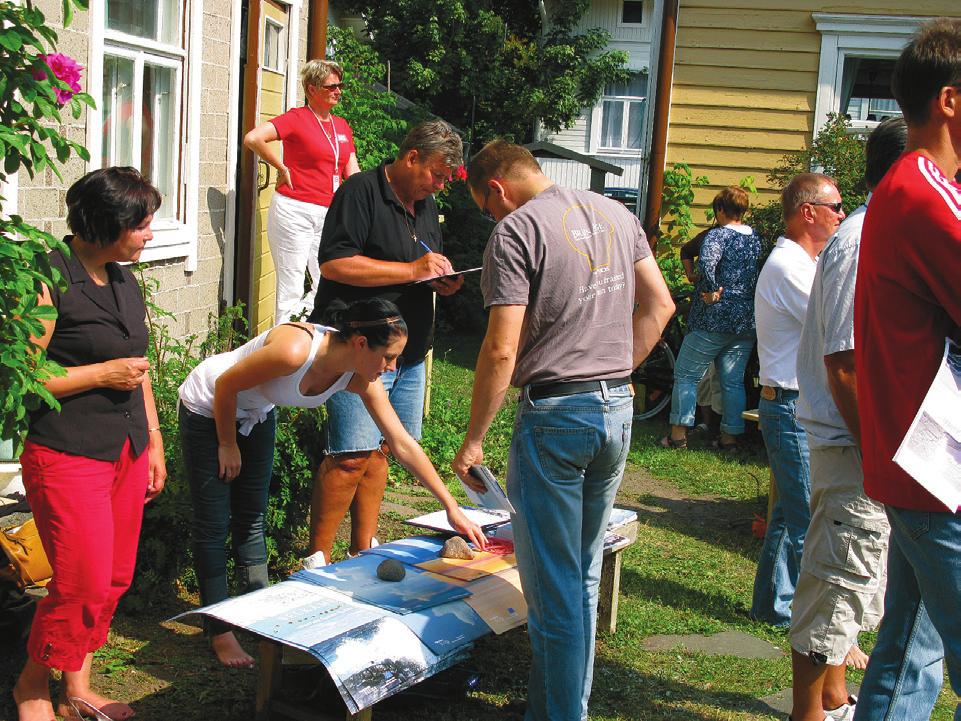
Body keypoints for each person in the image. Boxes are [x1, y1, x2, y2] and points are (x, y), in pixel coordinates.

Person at [452, 140, 674, 721]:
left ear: (495, 188)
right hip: (615, 412)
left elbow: (502, 348)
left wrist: (474, 437)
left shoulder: (516, 232)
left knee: (552, 587)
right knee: (579, 575)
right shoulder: (616, 213)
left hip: (555, 419)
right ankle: (563, 704)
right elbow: (661, 306)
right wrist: (618, 371)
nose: (492, 217)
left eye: (486, 205)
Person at [178, 298, 486, 668]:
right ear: (359, 343)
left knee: (252, 517)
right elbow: (226, 384)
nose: (390, 368)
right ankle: (219, 630)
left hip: (256, 412)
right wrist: (227, 444)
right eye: (387, 357)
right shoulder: (295, 351)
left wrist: (450, 505)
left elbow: (402, 443)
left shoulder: (357, 376)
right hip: (209, 405)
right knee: (214, 524)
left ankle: (255, 609)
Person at [13, 167, 167, 721]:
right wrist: (99, 375)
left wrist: (153, 440)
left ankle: (77, 686)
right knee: (79, 581)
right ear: (107, 225)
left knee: (113, 578)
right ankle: (32, 686)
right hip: (66, 452)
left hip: (123, 449)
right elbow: (22, 376)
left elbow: (140, 370)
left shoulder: (123, 280)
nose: (150, 234)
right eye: (142, 225)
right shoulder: (46, 278)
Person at [852, 18, 961, 720]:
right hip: (937, 474)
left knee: (903, 657)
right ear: (949, 101)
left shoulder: (907, 185)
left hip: (921, 469)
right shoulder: (924, 189)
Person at [788, 118, 907, 721]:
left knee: (860, 581)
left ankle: (834, 696)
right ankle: (808, 713)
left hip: (875, 448)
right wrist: (880, 452)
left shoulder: (883, 232)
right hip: (856, 446)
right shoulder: (862, 239)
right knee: (836, 581)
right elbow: (845, 363)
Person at [305, 119, 465, 565]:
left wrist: (438, 280)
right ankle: (316, 558)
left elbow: (420, 260)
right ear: (411, 157)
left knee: (382, 450)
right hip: (359, 349)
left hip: (406, 353)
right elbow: (334, 264)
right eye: (436, 174)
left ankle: (363, 550)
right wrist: (413, 272)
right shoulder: (359, 192)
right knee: (350, 455)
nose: (439, 184)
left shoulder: (425, 202)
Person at [751, 172, 845, 627]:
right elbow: (835, 327)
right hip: (789, 403)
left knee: (792, 511)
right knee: (809, 517)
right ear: (809, 213)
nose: (842, 215)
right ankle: (817, 619)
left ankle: (774, 604)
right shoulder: (789, 267)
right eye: (836, 207)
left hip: (791, 401)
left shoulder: (803, 264)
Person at [243, 59, 360, 323]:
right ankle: (284, 353)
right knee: (291, 287)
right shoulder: (297, 118)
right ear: (312, 89)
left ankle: (311, 336)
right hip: (294, 210)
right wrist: (280, 167)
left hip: (329, 213)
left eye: (340, 85)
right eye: (331, 86)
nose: (338, 91)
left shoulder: (341, 126)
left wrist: (364, 203)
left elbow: (352, 172)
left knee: (330, 281)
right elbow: (253, 138)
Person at [661, 186, 761, 450]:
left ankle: (678, 435)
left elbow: (705, 263)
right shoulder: (754, 238)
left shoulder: (717, 236)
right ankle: (729, 437)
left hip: (713, 319)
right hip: (744, 320)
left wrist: (708, 290)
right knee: (732, 381)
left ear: (720, 210)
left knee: (686, 375)